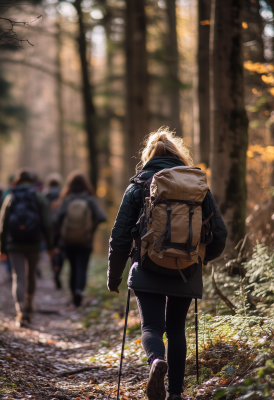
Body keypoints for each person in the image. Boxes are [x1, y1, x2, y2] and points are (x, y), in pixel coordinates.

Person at [107, 128, 227, 400]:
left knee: (151, 327)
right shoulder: (198, 188)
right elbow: (220, 234)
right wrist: (198, 259)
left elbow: (120, 236)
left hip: (148, 266)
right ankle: (174, 393)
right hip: (186, 269)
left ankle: (155, 363)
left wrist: (114, 278)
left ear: (149, 156)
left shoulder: (138, 185)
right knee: (176, 329)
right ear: (178, 155)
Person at [0, 169, 53, 327]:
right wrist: (49, 246)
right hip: (34, 243)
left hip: (14, 243)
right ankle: (29, 305)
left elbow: (2, 224)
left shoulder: (10, 196)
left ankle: (20, 311)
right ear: (32, 182)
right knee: (31, 275)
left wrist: (1, 247)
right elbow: (47, 224)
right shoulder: (38, 197)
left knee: (18, 277)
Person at [56, 171, 106, 307]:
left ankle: (73, 295)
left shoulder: (67, 199)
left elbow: (57, 218)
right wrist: (90, 229)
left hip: (68, 241)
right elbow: (102, 217)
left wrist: (61, 234)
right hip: (86, 241)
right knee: (82, 268)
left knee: (72, 268)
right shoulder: (89, 199)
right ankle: (79, 291)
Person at [43, 173, 64, 289]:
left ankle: (53, 268)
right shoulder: (63, 193)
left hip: (49, 227)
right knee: (60, 250)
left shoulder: (45, 194)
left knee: (51, 250)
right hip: (61, 226)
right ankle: (58, 270)